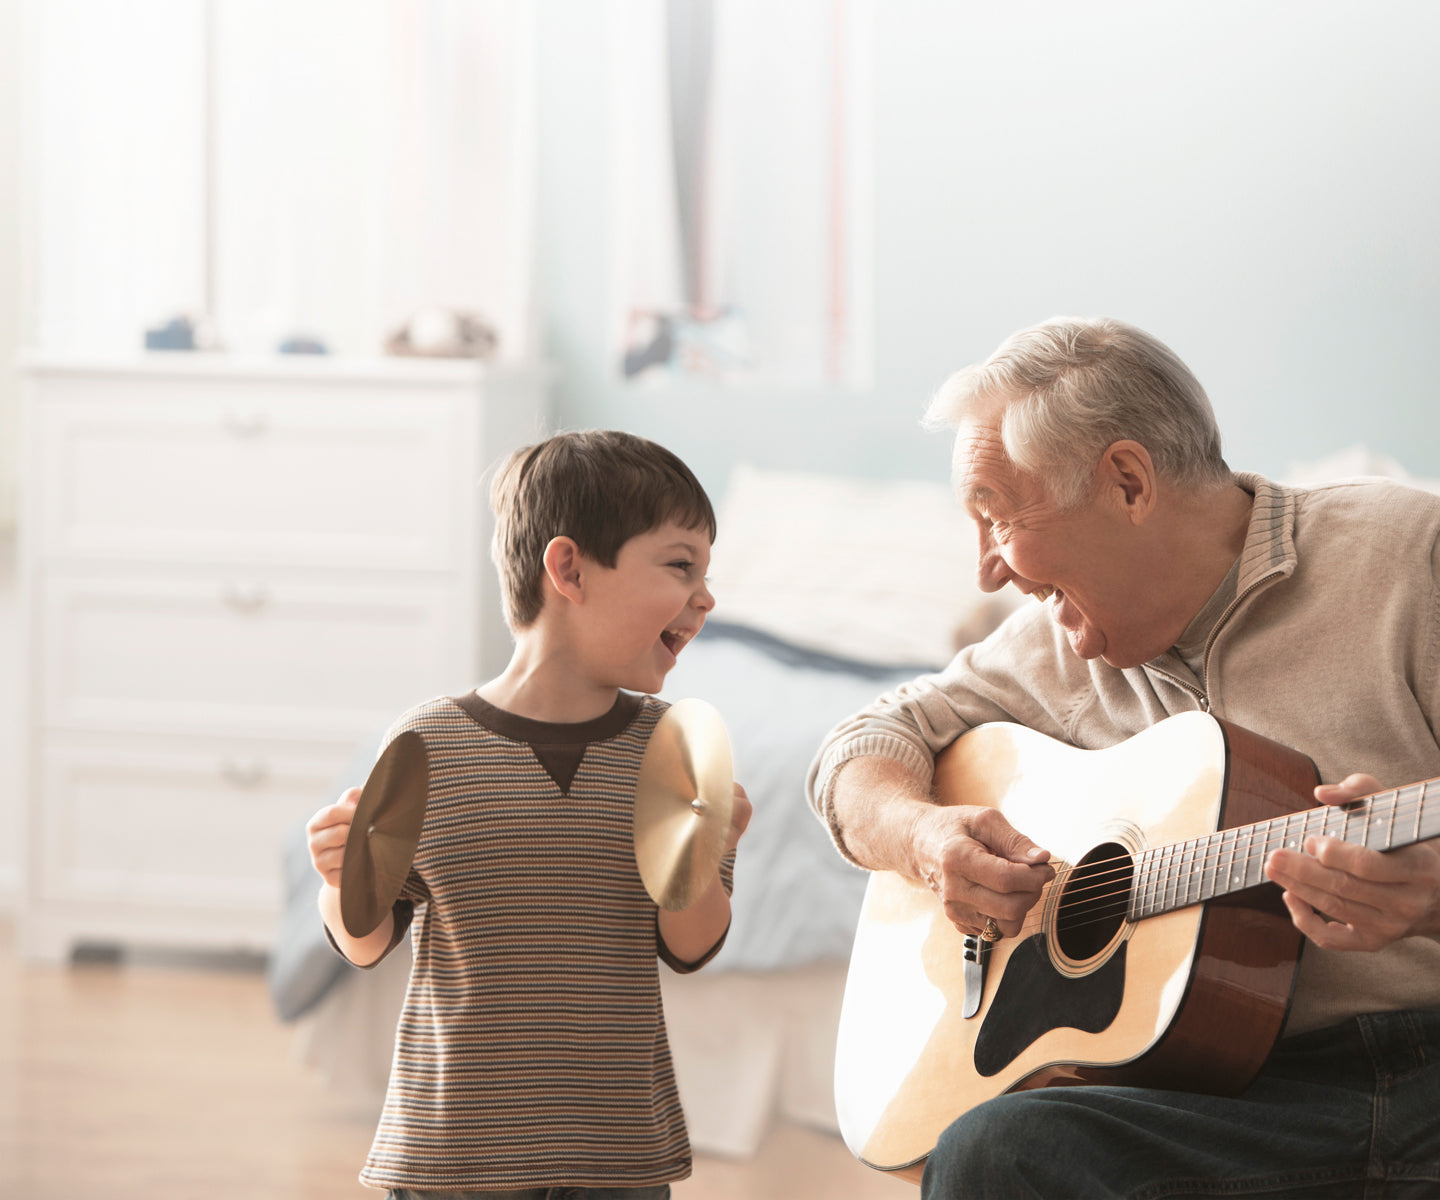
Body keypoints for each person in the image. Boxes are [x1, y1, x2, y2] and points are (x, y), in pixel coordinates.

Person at [806, 316, 1440, 1198]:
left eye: (996, 515)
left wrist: (1432, 900)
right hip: (1207, 1095)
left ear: (1129, 483)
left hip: (1419, 1068)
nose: (986, 572)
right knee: (995, 1153)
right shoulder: (1057, 647)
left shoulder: (1408, 557)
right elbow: (861, 747)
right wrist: (922, 837)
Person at [306, 429, 751, 1198]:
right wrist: (341, 877)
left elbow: (691, 945)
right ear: (569, 568)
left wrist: (703, 852)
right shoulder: (427, 743)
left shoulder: (673, 750)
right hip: (453, 1158)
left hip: (617, 1156)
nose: (706, 598)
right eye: (681, 566)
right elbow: (366, 940)